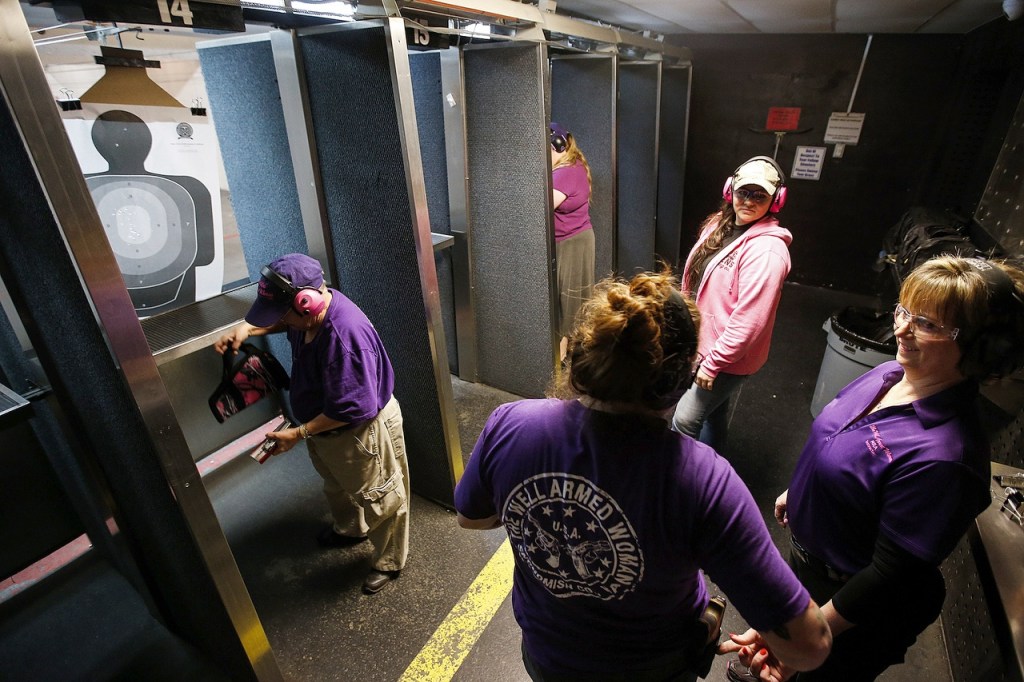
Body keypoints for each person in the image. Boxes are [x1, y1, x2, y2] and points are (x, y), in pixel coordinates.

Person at [454, 270, 831, 681]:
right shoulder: (704, 482)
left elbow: (471, 517)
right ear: (682, 380)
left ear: (580, 354)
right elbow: (809, 646)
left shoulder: (512, 424)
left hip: (548, 657)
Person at [751, 256, 1024, 681]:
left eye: (928, 324)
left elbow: (888, 575)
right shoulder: (890, 373)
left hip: (850, 604)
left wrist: (808, 637)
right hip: (810, 567)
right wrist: (804, 489)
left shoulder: (947, 457)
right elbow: (838, 439)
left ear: (979, 348)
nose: (900, 329)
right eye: (903, 310)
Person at [214, 253, 410, 595]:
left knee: (380, 497)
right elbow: (283, 321)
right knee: (337, 485)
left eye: (282, 314)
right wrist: (249, 327)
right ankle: (351, 530)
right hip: (327, 429)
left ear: (307, 303)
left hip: (359, 432)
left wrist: (298, 433)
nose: (280, 321)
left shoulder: (345, 340)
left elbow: (353, 409)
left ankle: (389, 561)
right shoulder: (307, 317)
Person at [671, 156, 792, 453]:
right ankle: (717, 466)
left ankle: (687, 485)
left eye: (760, 195)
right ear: (730, 191)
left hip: (727, 356)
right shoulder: (717, 225)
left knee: (684, 420)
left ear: (776, 200)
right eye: (743, 192)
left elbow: (749, 322)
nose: (749, 201)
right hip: (703, 344)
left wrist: (712, 365)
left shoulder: (768, 251)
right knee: (714, 413)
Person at [550, 121, 596, 360]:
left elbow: (542, 208)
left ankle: (570, 361)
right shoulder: (572, 163)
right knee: (567, 302)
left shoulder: (564, 173)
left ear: (558, 147)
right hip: (570, 241)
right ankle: (566, 356)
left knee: (571, 304)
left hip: (573, 243)